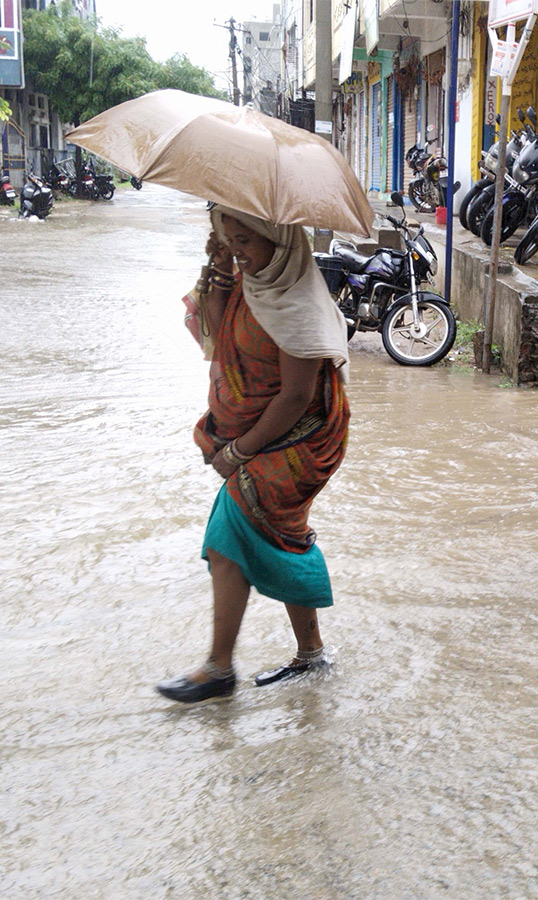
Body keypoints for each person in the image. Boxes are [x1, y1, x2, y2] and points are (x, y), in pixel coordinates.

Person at [156, 206, 352, 703]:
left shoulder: (299, 303)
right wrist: (221, 268)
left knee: (229, 534)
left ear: (279, 241)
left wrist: (239, 451)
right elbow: (222, 340)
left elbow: (293, 395)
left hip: (304, 437)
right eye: (231, 238)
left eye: (246, 239)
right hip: (268, 434)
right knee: (276, 533)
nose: (240, 248)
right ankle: (309, 654)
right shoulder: (254, 283)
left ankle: (220, 668)